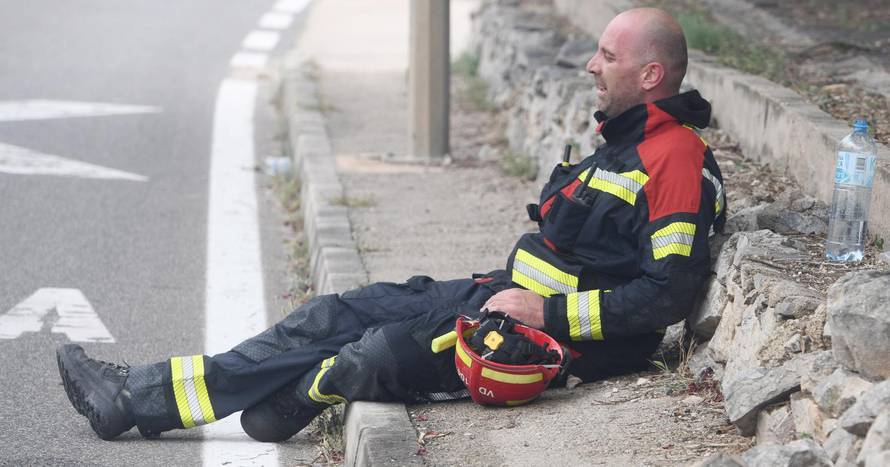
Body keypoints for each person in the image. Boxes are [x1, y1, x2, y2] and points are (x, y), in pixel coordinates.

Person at [57, 7, 726, 442]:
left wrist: (549, 314)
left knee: (369, 352)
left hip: (551, 341)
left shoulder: (675, 160)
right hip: (499, 299)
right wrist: (521, 298)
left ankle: (284, 396)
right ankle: (140, 392)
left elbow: (662, 299)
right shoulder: (623, 142)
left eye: (607, 55)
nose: (590, 64)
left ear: (651, 72)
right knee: (334, 312)